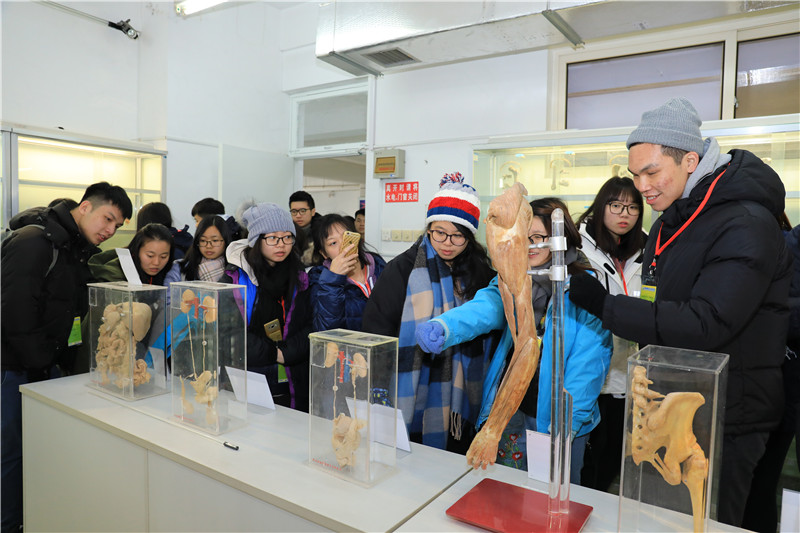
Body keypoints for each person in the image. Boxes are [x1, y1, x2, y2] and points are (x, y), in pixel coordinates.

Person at [567, 97, 792, 527]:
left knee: (709, 521)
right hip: (674, 401)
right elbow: (659, 302)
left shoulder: (744, 221)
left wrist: (605, 305)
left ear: (690, 159)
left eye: (652, 172)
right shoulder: (674, 220)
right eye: (636, 174)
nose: (642, 185)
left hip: (729, 414)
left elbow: (706, 322)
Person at [415, 197, 612, 481]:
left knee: (553, 502)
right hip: (511, 409)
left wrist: (566, 426)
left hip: (558, 422)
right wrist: (445, 327)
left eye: (538, 237)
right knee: (504, 493)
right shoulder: (513, 277)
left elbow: (590, 365)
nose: (530, 246)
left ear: (560, 237)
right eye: (523, 237)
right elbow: (486, 307)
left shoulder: (585, 288)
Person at [1, 181, 132, 533]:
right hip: (15, 367)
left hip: (47, 367)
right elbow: (13, 310)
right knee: (11, 453)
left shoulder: (74, 247)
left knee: (43, 448)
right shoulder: (34, 241)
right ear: (85, 207)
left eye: (117, 226)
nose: (109, 231)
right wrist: (40, 363)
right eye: (107, 219)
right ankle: (10, 523)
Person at [361, 173, 496, 453]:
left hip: (464, 389)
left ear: (469, 237)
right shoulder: (403, 269)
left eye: (458, 236)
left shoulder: (480, 271)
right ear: (429, 228)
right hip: (412, 383)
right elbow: (377, 329)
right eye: (439, 232)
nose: (447, 242)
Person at [575, 176, 646, 491]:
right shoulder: (578, 250)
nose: (624, 214)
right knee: (588, 461)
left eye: (632, 207)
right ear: (601, 207)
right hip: (591, 373)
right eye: (616, 205)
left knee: (616, 458)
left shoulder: (646, 248)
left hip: (631, 376)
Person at [221, 203, 312, 412]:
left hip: (292, 375)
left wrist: (287, 354)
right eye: (272, 238)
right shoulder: (234, 278)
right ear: (255, 240)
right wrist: (275, 354)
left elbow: (309, 324)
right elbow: (229, 334)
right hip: (249, 375)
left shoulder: (299, 277)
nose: (281, 244)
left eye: (287, 237)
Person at [741, 214, 800, 533]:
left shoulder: (787, 244)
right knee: (756, 483)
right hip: (763, 385)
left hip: (777, 385)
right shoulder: (788, 246)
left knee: (762, 482)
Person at [308, 214, 386, 332]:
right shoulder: (319, 279)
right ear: (324, 253)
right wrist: (333, 280)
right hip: (350, 349)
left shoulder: (378, 264)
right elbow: (325, 331)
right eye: (333, 243)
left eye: (347, 237)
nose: (344, 247)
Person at [89, 223, 175, 286]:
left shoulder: (171, 273)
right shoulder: (114, 274)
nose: (156, 262)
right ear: (136, 250)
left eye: (163, 256)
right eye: (150, 256)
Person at [165, 215, 232, 286]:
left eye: (215, 240)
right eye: (203, 240)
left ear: (225, 241)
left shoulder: (235, 270)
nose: (208, 246)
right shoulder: (179, 268)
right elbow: (168, 295)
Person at [289, 190, 321, 267]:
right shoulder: (286, 232)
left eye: (302, 211)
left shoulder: (322, 231)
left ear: (312, 212)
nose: (298, 215)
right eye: (294, 211)